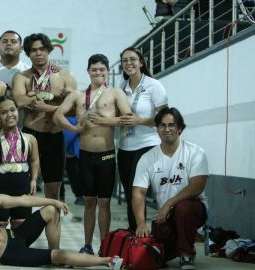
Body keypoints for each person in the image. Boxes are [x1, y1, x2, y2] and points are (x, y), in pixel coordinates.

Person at [0, 165, 123, 269]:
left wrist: (54, 201)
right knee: (61, 255)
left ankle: (52, 254)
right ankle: (106, 261)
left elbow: (23, 200)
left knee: (49, 210)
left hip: (15, 236)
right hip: (9, 254)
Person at [53, 54, 132, 255]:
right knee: (89, 202)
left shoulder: (115, 93)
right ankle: (87, 245)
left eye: (102, 69)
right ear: (88, 72)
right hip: (85, 155)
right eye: (94, 69)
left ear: (107, 72)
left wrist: (106, 121)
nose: (98, 73)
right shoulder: (77, 96)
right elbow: (57, 115)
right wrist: (75, 130)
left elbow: (128, 117)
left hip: (106, 155)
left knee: (104, 202)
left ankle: (104, 246)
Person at [132, 107, 208, 270]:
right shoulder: (148, 158)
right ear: (157, 129)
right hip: (164, 216)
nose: (167, 129)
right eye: (162, 125)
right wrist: (141, 223)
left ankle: (187, 254)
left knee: (184, 208)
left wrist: (169, 203)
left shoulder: (195, 152)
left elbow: (197, 186)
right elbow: (138, 192)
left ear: (180, 128)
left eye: (172, 125)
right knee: (155, 256)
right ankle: (182, 243)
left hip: (193, 210)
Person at [12, 33, 77, 200]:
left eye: (42, 49)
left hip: (55, 136)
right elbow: (19, 101)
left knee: (53, 192)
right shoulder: (22, 77)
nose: (38, 53)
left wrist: (42, 102)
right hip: (30, 134)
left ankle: (53, 225)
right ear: (28, 53)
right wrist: (51, 95)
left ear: (49, 50)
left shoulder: (65, 76)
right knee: (23, 187)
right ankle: (23, 224)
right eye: (33, 50)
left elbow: (74, 109)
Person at [117, 47, 168, 232]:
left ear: (141, 62)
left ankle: (142, 232)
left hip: (147, 145)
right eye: (124, 61)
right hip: (124, 146)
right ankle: (135, 235)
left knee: (135, 190)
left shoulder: (153, 85)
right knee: (129, 193)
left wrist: (139, 120)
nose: (128, 63)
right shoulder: (120, 87)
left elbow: (165, 119)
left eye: (132, 59)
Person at [0, 97, 39, 229]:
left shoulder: (30, 139)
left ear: (18, 111)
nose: (10, 114)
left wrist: (34, 179)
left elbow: (34, 160)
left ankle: (17, 250)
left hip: (22, 189)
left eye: (12, 110)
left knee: (20, 224)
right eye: (4, 112)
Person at [62, 116, 83, 205]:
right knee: (58, 176)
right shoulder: (60, 116)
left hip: (72, 152)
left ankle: (79, 196)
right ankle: (61, 196)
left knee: (74, 175)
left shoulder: (75, 119)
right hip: (62, 149)